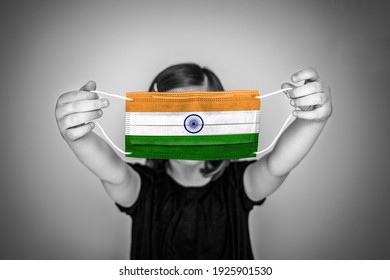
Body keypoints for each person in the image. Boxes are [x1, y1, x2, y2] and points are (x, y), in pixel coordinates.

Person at [54, 63, 332, 259]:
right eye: (174, 115)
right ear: (154, 121)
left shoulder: (238, 182)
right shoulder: (143, 187)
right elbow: (111, 171)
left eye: (201, 114)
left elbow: (278, 164)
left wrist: (313, 121)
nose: (190, 127)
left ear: (221, 121)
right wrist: (79, 137)